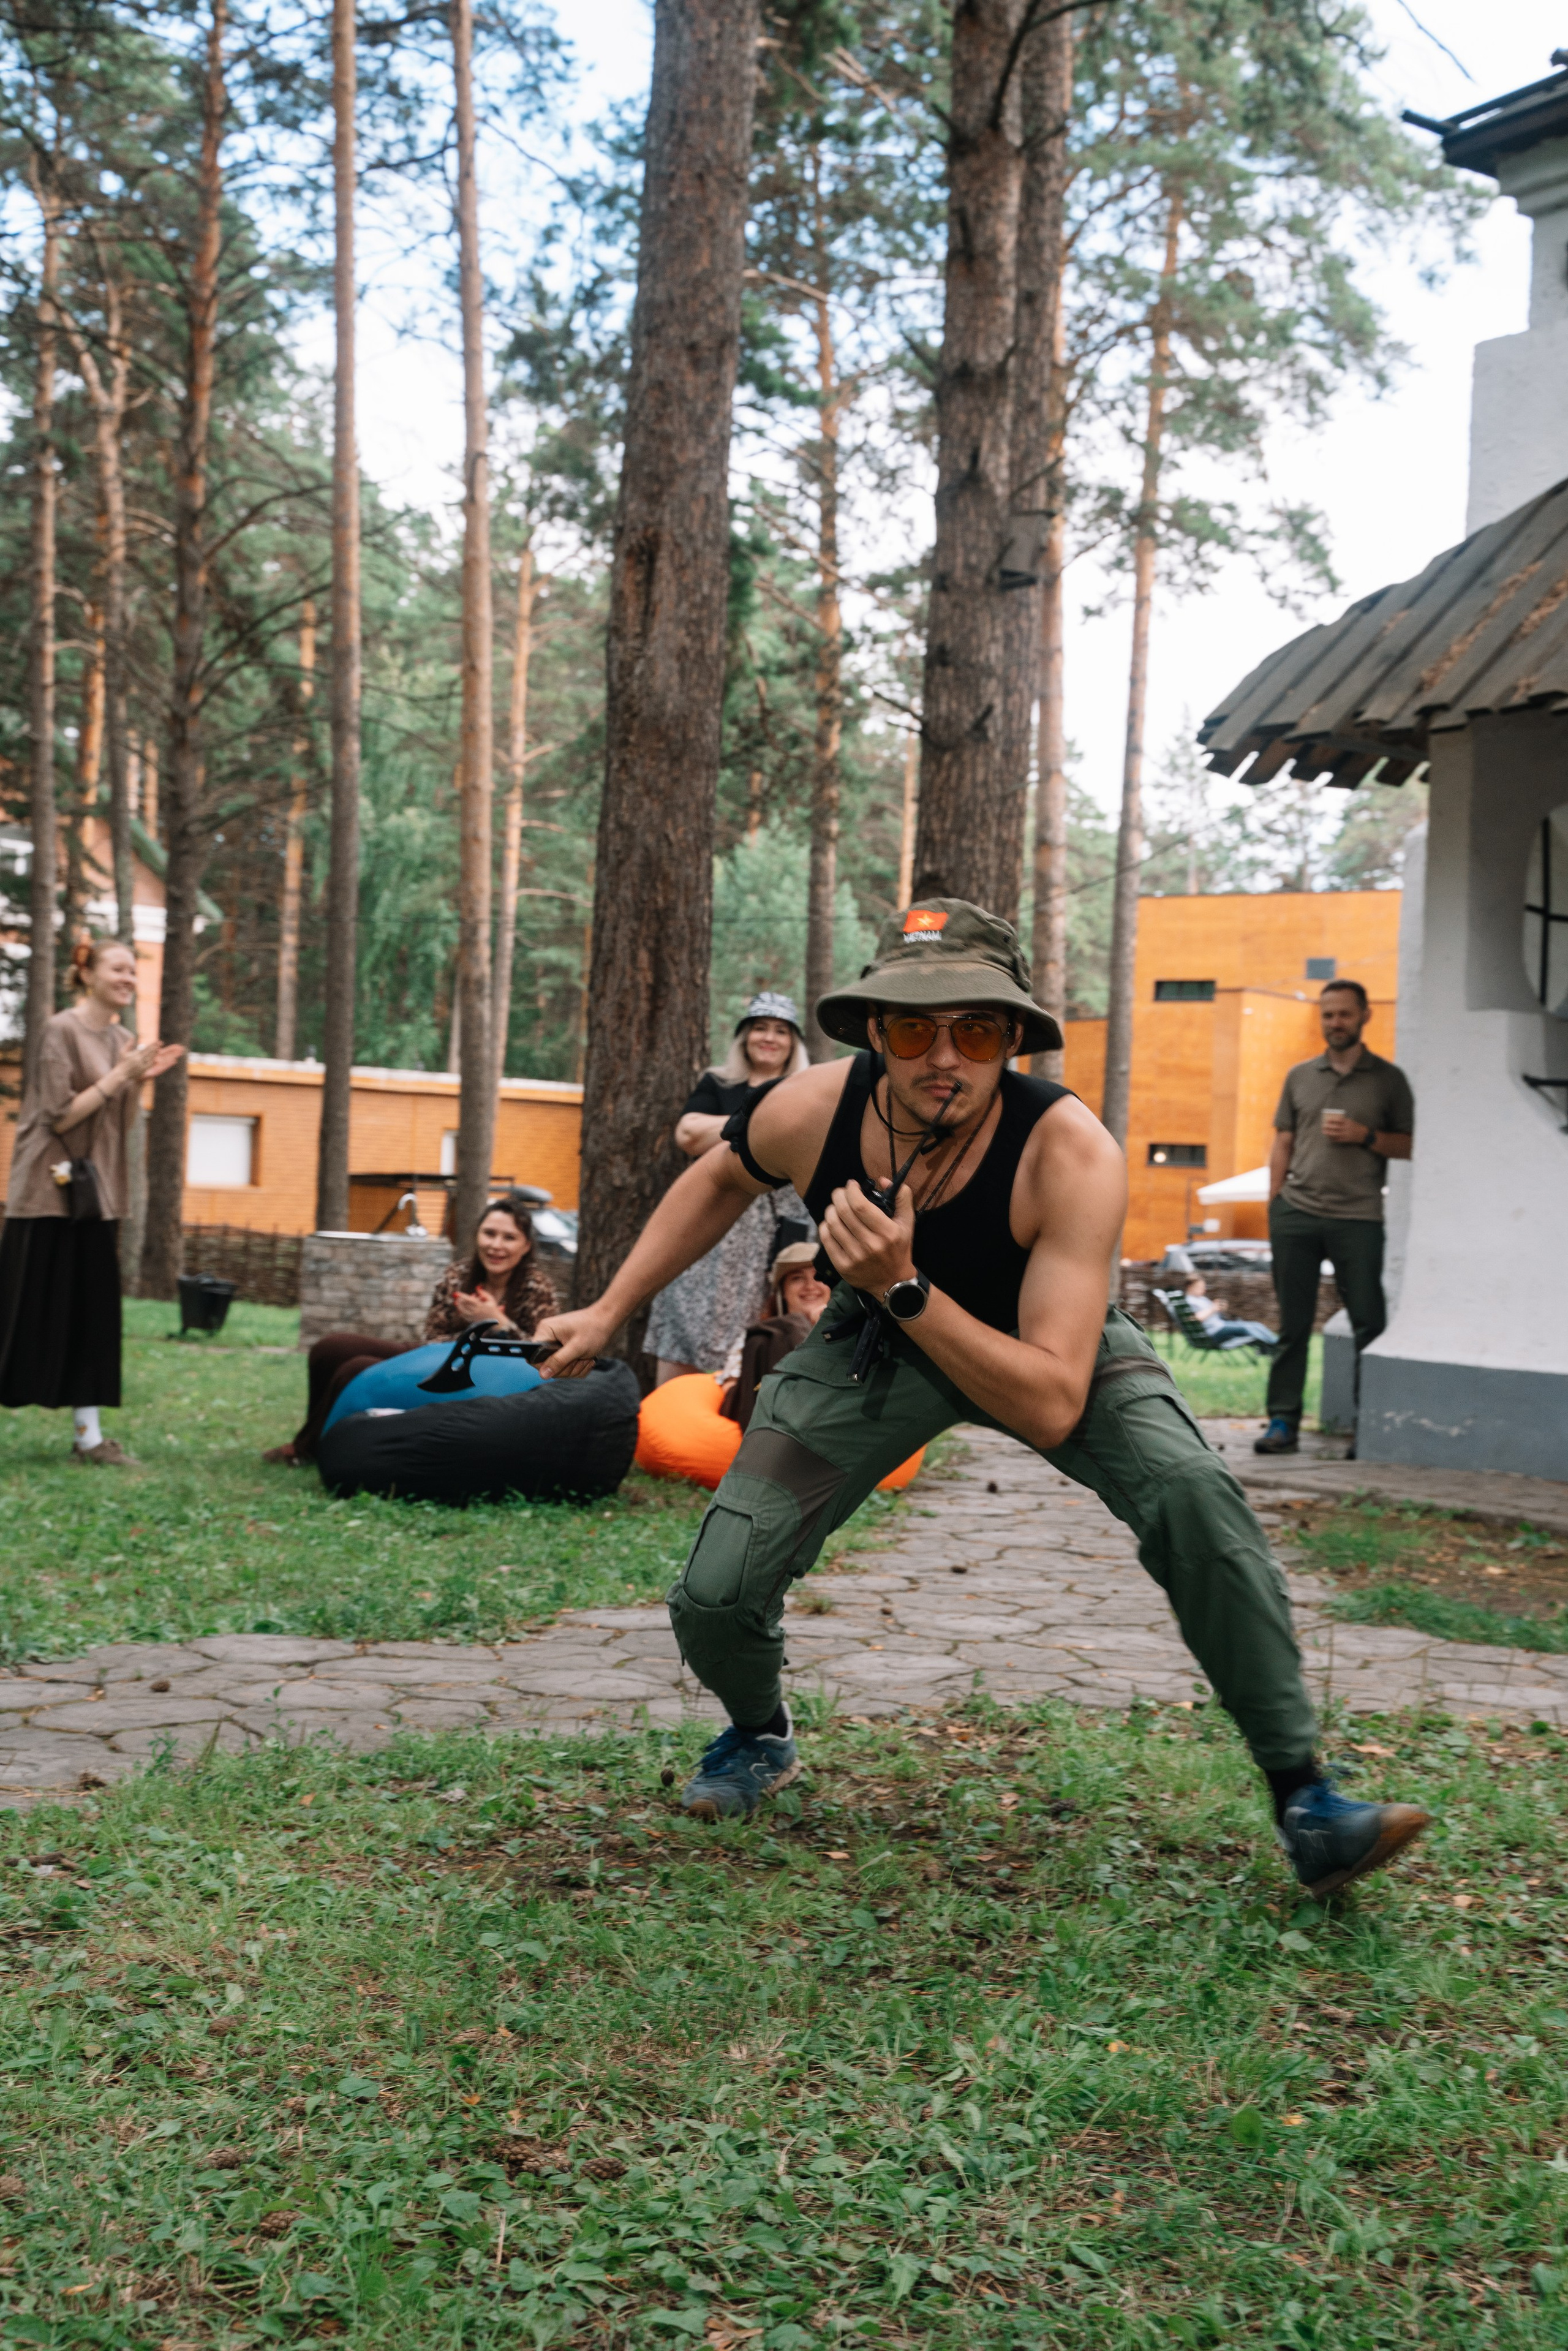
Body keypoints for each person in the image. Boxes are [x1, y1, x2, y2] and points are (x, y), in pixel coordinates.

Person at [537, 899, 1431, 1901]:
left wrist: (907, 1283)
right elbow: (718, 1178)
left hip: (1048, 1345)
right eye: (915, 1028)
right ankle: (758, 1734)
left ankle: (1307, 1798)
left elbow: (1052, 1401)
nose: (943, 1058)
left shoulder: (1069, 1151)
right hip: (875, 1346)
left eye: (976, 1029)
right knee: (714, 1593)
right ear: (878, 1030)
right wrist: (611, 1306)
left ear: (1013, 1037)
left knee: (1191, 1493)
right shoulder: (814, 1110)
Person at [0, 938, 183, 1465]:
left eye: (133, 970)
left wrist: (136, 1084)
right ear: (87, 974)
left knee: (92, 1320)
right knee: (20, 1317)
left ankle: (89, 1440)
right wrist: (119, 1076)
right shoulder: (61, 1031)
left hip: (95, 1196)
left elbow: (118, 1126)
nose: (129, 978)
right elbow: (59, 1115)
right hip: (45, 1195)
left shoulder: (124, 1039)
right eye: (118, 969)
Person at [265, 1192, 557, 1464]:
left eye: (509, 1238)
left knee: (356, 1368)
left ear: (526, 1246)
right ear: (477, 1235)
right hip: (431, 1354)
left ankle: (310, 1448)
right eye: (489, 1234)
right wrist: (473, 1326)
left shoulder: (537, 1287)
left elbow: (540, 1355)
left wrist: (497, 1323)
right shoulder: (458, 1275)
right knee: (331, 1348)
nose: (496, 1245)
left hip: (484, 1371)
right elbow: (431, 1336)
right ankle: (311, 1434)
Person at [1255, 979, 1414, 1458]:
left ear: (1365, 1016)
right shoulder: (1300, 1076)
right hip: (1297, 1215)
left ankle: (1367, 1428)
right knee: (1293, 1327)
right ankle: (1282, 1422)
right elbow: (1282, 1141)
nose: (1336, 1023)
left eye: (1345, 1014)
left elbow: (1410, 1145)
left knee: (1369, 1321)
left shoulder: (1389, 1080)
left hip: (1359, 1217)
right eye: (1328, 1015)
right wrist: (1275, 1205)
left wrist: (1366, 1135)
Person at [645, 992, 812, 1384]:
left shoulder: (807, 1088)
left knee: (762, 1337)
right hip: (710, 1225)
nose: (769, 1038)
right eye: (760, 1028)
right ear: (744, 1037)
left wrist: (729, 1132)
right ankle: (667, 1424)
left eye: (780, 1031)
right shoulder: (719, 1082)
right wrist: (763, 1121)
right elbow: (688, 1133)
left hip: (777, 1238)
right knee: (682, 1331)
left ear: (793, 1042)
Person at [717, 1239, 834, 1432]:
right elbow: (735, 1390)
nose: (810, 1286)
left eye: (819, 1277)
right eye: (797, 1278)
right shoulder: (761, 1336)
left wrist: (824, 1326)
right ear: (783, 1292)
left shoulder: (853, 1328)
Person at [1185, 1275, 1277, 1352]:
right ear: (1190, 1287)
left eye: (1203, 1287)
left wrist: (1219, 1308)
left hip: (1220, 1326)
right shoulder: (1189, 1301)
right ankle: (1274, 1347)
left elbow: (1210, 1312)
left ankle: (1275, 1344)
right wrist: (1213, 1308)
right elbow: (1194, 1319)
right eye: (1200, 1287)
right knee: (1246, 1328)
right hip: (1213, 1332)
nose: (1203, 1290)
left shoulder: (1201, 1299)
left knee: (1256, 1325)